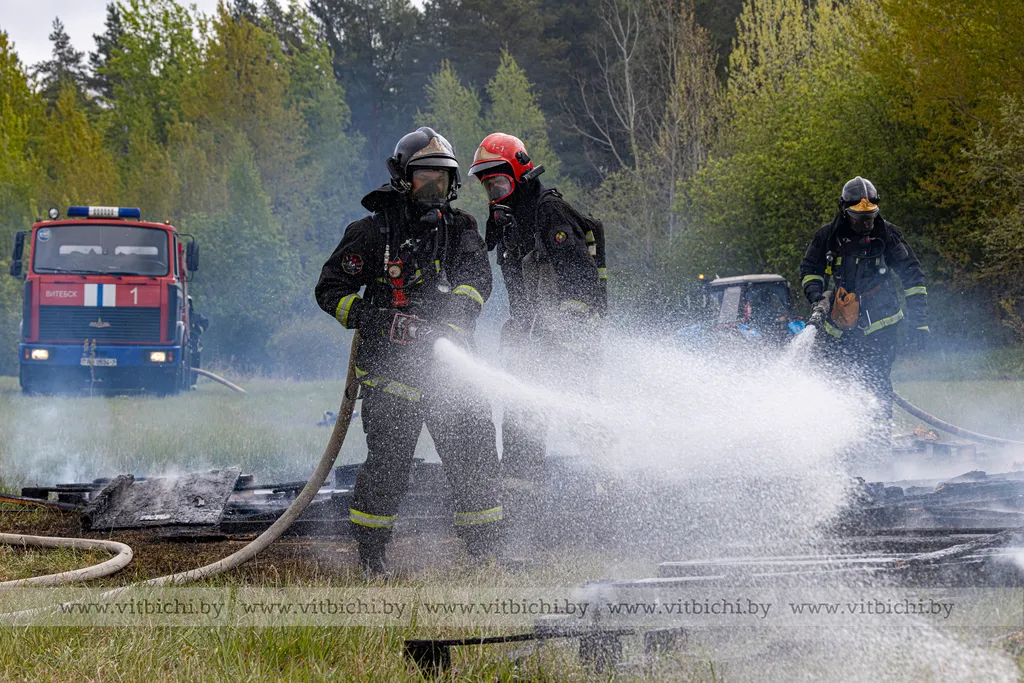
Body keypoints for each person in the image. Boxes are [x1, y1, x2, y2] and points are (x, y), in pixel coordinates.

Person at [315, 127, 502, 577]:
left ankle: (484, 553)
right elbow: (330, 289)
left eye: (443, 178)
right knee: (389, 465)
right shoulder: (371, 232)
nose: (435, 187)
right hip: (391, 373)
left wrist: (453, 326)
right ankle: (372, 558)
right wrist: (377, 319)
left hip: (452, 374)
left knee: (474, 455)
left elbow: (477, 281)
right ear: (403, 179)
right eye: (425, 178)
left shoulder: (461, 228)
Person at [467, 133, 604, 482]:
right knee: (521, 420)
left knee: (583, 418)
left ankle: (612, 483)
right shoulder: (511, 223)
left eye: (499, 183)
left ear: (520, 174)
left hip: (568, 345)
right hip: (532, 343)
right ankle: (522, 499)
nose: (495, 194)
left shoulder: (550, 213)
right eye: (489, 188)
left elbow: (582, 281)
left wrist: (566, 338)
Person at [800, 176, 929, 441]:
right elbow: (810, 269)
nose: (865, 223)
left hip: (881, 327)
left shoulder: (888, 235)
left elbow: (913, 277)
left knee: (876, 386)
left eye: (870, 217)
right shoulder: (828, 236)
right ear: (844, 211)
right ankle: (841, 443)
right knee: (837, 387)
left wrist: (919, 323)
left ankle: (876, 445)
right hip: (839, 330)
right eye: (859, 218)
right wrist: (816, 295)